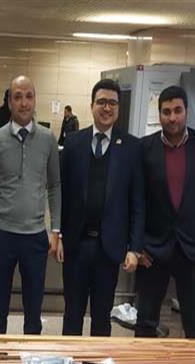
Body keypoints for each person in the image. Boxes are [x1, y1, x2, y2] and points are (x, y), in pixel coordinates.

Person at [134, 85, 195, 339]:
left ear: (186, 111)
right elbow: (134, 200)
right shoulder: (144, 148)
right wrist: (136, 244)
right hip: (152, 250)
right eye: (166, 112)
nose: (172, 117)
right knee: (145, 325)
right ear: (159, 115)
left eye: (177, 110)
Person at [57, 79, 144, 336]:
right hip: (76, 245)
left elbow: (137, 202)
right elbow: (60, 193)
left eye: (113, 103)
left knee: (102, 317)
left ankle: (98, 361)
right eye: (102, 102)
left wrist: (135, 248)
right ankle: (69, 361)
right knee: (72, 314)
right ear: (92, 105)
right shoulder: (73, 143)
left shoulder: (132, 148)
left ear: (118, 108)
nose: (107, 108)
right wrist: (58, 234)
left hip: (109, 249)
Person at [0, 75, 61, 334]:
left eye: (29, 96)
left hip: (35, 238)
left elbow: (55, 186)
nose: (24, 103)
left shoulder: (48, 140)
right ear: (9, 102)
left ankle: (31, 357)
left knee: (33, 312)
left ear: (35, 100)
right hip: (1, 235)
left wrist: (56, 231)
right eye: (17, 97)